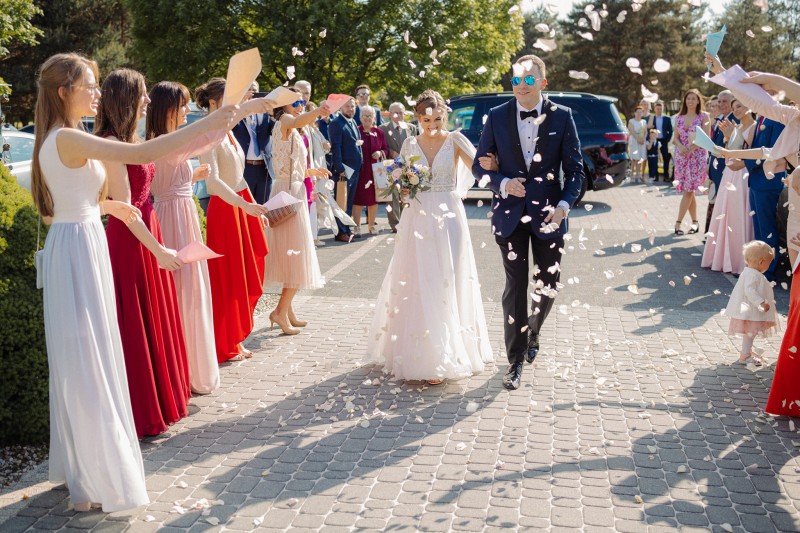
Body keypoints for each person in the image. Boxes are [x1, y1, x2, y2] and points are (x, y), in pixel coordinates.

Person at [31, 52, 237, 512]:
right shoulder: (67, 137)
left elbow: (56, 207)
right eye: (89, 85)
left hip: (80, 239)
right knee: (89, 357)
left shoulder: (61, 136)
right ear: (64, 92)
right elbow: (141, 154)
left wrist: (105, 207)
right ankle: (96, 476)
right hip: (79, 247)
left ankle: (85, 470)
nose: (97, 92)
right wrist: (211, 122)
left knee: (89, 354)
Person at [472, 54, 583, 391]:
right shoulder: (496, 116)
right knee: (516, 286)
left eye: (529, 79)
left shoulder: (562, 116)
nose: (522, 85)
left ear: (543, 82)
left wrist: (564, 206)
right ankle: (515, 359)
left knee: (548, 284)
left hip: (550, 215)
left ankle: (534, 328)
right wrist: (503, 182)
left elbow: (576, 171)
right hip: (509, 217)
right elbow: (478, 168)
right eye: (516, 80)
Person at [365, 89, 492, 384]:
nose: (432, 126)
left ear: (444, 116)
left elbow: (480, 168)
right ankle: (419, 353)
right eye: (426, 121)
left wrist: (497, 164)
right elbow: (401, 181)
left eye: (437, 120)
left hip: (449, 214)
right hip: (418, 215)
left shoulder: (455, 140)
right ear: (418, 118)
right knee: (417, 277)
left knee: (448, 276)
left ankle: (447, 352)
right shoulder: (410, 143)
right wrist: (401, 186)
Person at [96, 69, 194, 437]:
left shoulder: (131, 139)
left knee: (155, 316)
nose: (148, 101)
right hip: (130, 239)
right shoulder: (109, 143)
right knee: (138, 322)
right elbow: (125, 208)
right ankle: (144, 409)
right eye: (142, 94)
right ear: (126, 99)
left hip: (147, 227)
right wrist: (158, 250)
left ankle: (163, 400)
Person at [148, 80, 242, 394]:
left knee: (191, 293)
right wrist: (233, 112)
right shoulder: (164, 141)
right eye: (183, 104)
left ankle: (190, 369)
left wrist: (192, 175)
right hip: (172, 220)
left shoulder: (167, 140)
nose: (187, 110)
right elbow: (207, 141)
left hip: (181, 214)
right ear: (168, 109)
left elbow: (173, 174)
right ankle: (184, 373)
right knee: (183, 294)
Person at [196, 77, 271, 363]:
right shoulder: (208, 133)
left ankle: (234, 338)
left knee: (244, 276)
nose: (237, 105)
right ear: (214, 102)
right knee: (227, 279)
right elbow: (213, 183)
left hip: (240, 206)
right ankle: (223, 343)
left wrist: (254, 209)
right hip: (225, 211)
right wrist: (243, 205)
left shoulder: (227, 131)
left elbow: (238, 176)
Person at [705, 53, 800, 267]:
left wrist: (772, 80)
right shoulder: (793, 119)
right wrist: (722, 72)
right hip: (797, 206)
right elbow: (767, 147)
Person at [264, 88, 330, 334]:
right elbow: (298, 121)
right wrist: (318, 111)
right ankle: (279, 312)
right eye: (296, 102)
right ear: (284, 104)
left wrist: (312, 172)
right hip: (288, 193)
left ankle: (287, 311)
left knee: (292, 254)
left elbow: (292, 166)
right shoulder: (285, 121)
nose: (301, 104)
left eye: (302, 101)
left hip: (292, 187)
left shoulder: (291, 126)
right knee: (297, 254)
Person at [701, 99, 755, 275]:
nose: (736, 110)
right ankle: (723, 258)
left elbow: (747, 152)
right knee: (727, 213)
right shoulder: (737, 127)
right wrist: (727, 139)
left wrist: (734, 136)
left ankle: (739, 261)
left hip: (742, 175)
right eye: (734, 108)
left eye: (739, 106)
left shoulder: (754, 127)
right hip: (729, 174)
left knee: (739, 214)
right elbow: (729, 153)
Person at [723, 241, 779, 366]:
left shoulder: (749, 272)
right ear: (761, 262)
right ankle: (745, 355)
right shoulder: (753, 274)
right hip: (751, 311)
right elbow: (750, 291)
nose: (769, 266)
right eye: (769, 263)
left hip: (750, 311)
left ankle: (746, 352)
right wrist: (761, 303)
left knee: (750, 333)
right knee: (750, 333)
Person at [671, 89, 711, 235]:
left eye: (694, 98)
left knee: (688, 190)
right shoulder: (679, 117)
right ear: (685, 100)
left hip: (697, 157)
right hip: (682, 157)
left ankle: (678, 223)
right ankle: (695, 222)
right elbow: (675, 138)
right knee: (689, 189)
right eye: (688, 98)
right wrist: (682, 147)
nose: (691, 101)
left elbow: (706, 138)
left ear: (698, 100)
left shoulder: (704, 116)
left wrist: (691, 149)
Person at [231, 81, 275, 204]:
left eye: (254, 91)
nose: (251, 93)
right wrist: (242, 106)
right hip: (244, 168)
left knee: (263, 207)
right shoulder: (236, 112)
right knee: (245, 206)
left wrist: (273, 114)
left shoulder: (265, 114)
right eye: (248, 90)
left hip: (264, 168)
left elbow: (276, 131)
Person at [380, 102, 419, 232]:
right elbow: (382, 145)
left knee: (406, 193)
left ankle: (405, 221)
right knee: (393, 196)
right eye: (395, 113)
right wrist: (392, 152)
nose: (398, 115)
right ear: (390, 114)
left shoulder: (411, 128)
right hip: (391, 165)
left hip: (408, 165)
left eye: (401, 112)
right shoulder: (383, 128)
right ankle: (395, 224)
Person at [329, 97, 362, 240]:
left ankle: (347, 230)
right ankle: (340, 232)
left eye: (352, 106)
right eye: (347, 106)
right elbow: (335, 147)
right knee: (341, 201)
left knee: (348, 202)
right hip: (344, 169)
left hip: (355, 169)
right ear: (341, 107)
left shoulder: (353, 121)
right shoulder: (336, 123)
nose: (350, 109)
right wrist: (340, 167)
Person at [353, 106, 388, 236]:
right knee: (358, 199)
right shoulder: (356, 131)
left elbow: (386, 149)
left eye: (370, 116)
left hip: (375, 171)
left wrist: (380, 152)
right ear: (360, 117)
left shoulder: (379, 132)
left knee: (374, 199)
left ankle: (371, 226)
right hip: (360, 171)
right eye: (364, 115)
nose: (367, 118)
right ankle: (356, 227)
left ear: (374, 118)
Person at [706, 90, 736, 234]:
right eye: (719, 101)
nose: (721, 104)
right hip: (716, 170)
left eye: (725, 101)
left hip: (726, 170)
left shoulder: (734, 121)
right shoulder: (721, 120)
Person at [647, 102, 673, 181]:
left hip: (664, 140)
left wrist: (667, 140)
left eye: (661, 109)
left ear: (663, 109)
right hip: (654, 140)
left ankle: (666, 176)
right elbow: (648, 128)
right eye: (657, 109)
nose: (659, 110)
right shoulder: (652, 118)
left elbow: (670, 130)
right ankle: (655, 176)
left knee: (665, 158)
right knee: (655, 158)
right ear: (655, 109)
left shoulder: (667, 118)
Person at [627, 106, 647, 183]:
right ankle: (632, 175)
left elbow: (645, 132)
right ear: (635, 113)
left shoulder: (644, 121)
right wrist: (638, 139)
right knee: (634, 159)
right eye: (637, 112)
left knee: (639, 159)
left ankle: (638, 176)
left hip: (641, 142)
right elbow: (632, 131)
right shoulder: (631, 121)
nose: (639, 113)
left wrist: (643, 139)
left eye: (640, 112)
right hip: (634, 141)